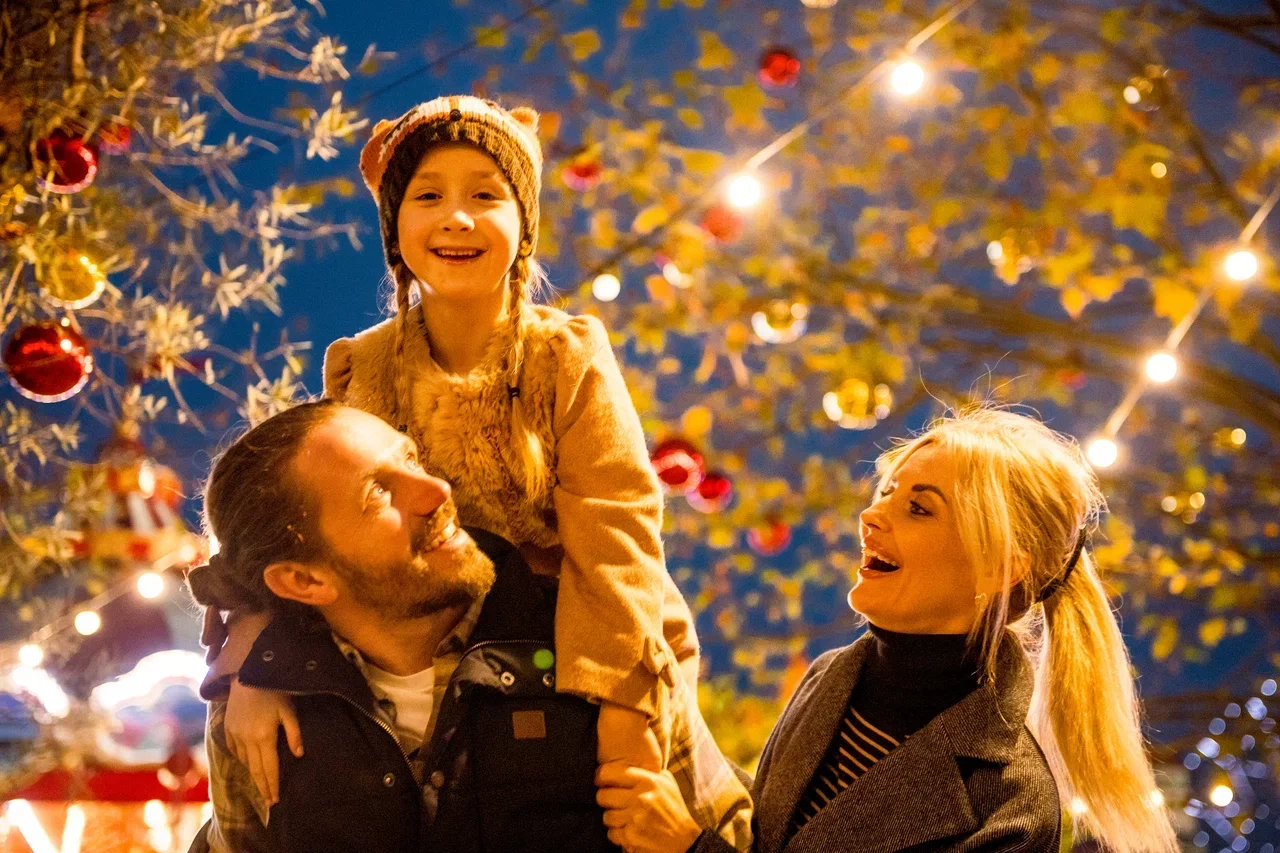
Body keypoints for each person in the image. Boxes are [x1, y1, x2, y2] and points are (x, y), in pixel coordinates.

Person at [201, 94, 751, 849]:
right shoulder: (361, 363)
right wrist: (254, 663)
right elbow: (303, 527)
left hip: (580, 628)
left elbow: (616, 526)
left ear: (524, 226)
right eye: (428, 196)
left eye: (485, 195)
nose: (456, 217)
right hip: (423, 625)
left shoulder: (565, 357)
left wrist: (625, 715)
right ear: (395, 229)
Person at [595, 407, 1178, 853]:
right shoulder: (835, 675)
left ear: (1002, 565)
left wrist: (689, 847)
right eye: (886, 493)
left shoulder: (1011, 804)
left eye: (919, 508)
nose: (872, 515)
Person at [186, 400, 751, 853]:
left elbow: (734, 833)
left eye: (411, 460)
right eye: (379, 492)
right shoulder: (256, 707)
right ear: (304, 582)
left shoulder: (603, 645)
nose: (436, 491)